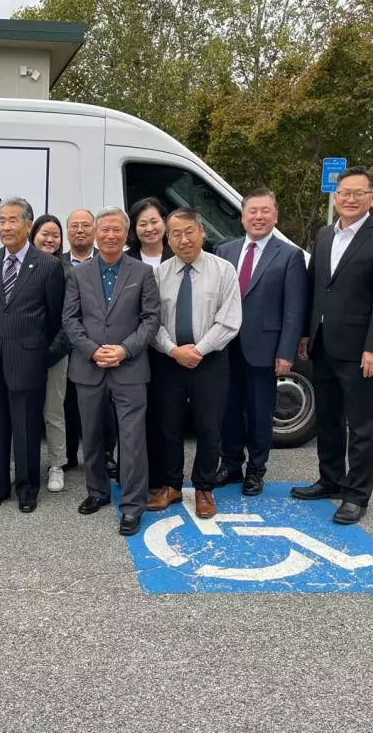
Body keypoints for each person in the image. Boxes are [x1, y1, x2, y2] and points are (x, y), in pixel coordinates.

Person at [294, 167, 373, 525]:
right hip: (324, 346)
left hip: (361, 352)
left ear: (372, 198)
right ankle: (330, 480)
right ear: (335, 197)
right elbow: (315, 289)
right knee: (327, 420)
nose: (350, 199)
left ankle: (356, 495)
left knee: (360, 427)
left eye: (358, 193)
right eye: (344, 193)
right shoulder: (326, 235)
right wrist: (306, 334)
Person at [63, 207, 160, 536]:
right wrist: (93, 350)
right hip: (88, 368)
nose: (109, 235)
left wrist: (125, 350)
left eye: (116, 230)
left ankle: (133, 506)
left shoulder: (142, 272)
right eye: (104, 229)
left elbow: (151, 319)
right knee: (91, 437)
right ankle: (98, 492)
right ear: (94, 233)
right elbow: (70, 320)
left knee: (131, 441)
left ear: (126, 233)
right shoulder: (78, 274)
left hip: (129, 368)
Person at [148, 209, 242, 519]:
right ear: (168, 238)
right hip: (169, 361)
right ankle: (171, 485)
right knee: (169, 426)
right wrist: (174, 351)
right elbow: (152, 322)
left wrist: (197, 351)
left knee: (209, 427)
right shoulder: (159, 275)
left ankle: (204, 488)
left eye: (189, 231)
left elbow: (229, 321)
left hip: (210, 360)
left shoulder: (224, 270)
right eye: (175, 233)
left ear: (201, 232)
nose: (183, 239)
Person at [215, 188, 306, 496]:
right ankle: (230, 465)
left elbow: (294, 309)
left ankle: (256, 469)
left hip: (265, 350)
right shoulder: (225, 250)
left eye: (265, 211)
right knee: (227, 410)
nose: (258, 216)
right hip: (226, 347)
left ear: (275, 216)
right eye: (252, 211)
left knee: (259, 413)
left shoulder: (289, 255)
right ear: (242, 217)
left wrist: (286, 352)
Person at [0, 198, 65, 514]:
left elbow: (55, 318)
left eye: (12, 220)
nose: (5, 226)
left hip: (29, 359)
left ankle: (27, 489)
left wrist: (41, 352)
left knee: (27, 429)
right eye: (1, 220)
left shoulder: (49, 265)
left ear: (28, 225)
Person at [62, 208, 117, 478]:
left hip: (105, 350)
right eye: (74, 226)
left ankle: (106, 455)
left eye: (86, 225)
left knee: (106, 408)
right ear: (68, 231)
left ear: (94, 231)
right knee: (70, 405)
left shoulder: (111, 262)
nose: (80, 230)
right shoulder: (56, 263)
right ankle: (70, 454)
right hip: (66, 348)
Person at [126, 197, 173, 493]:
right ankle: (139, 474)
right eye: (142, 223)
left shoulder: (178, 254)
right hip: (137, 347)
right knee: (137, 418)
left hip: (171, 349)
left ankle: (166, 476)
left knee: (166, 415)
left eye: (154, 221)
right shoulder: (127, 259)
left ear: (165, 222)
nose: (149, 228)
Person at [29, 214, 72, 492]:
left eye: (55, 235)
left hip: (56, 353)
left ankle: (57, 464)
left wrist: (50, 352)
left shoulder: (67, 270)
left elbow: (70, 318)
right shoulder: (22, 267)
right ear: (33, 235)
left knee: (53, 412)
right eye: (45, 233)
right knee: (24, 412)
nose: (50, 239)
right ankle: (26, 463)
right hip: (23, 353)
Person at [127, 197, 173, 267]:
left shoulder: (179, 256)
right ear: (134, 227)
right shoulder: (124, 260)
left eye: (154, 222)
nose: (149, 229)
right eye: (143, 224)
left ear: (164, 221)